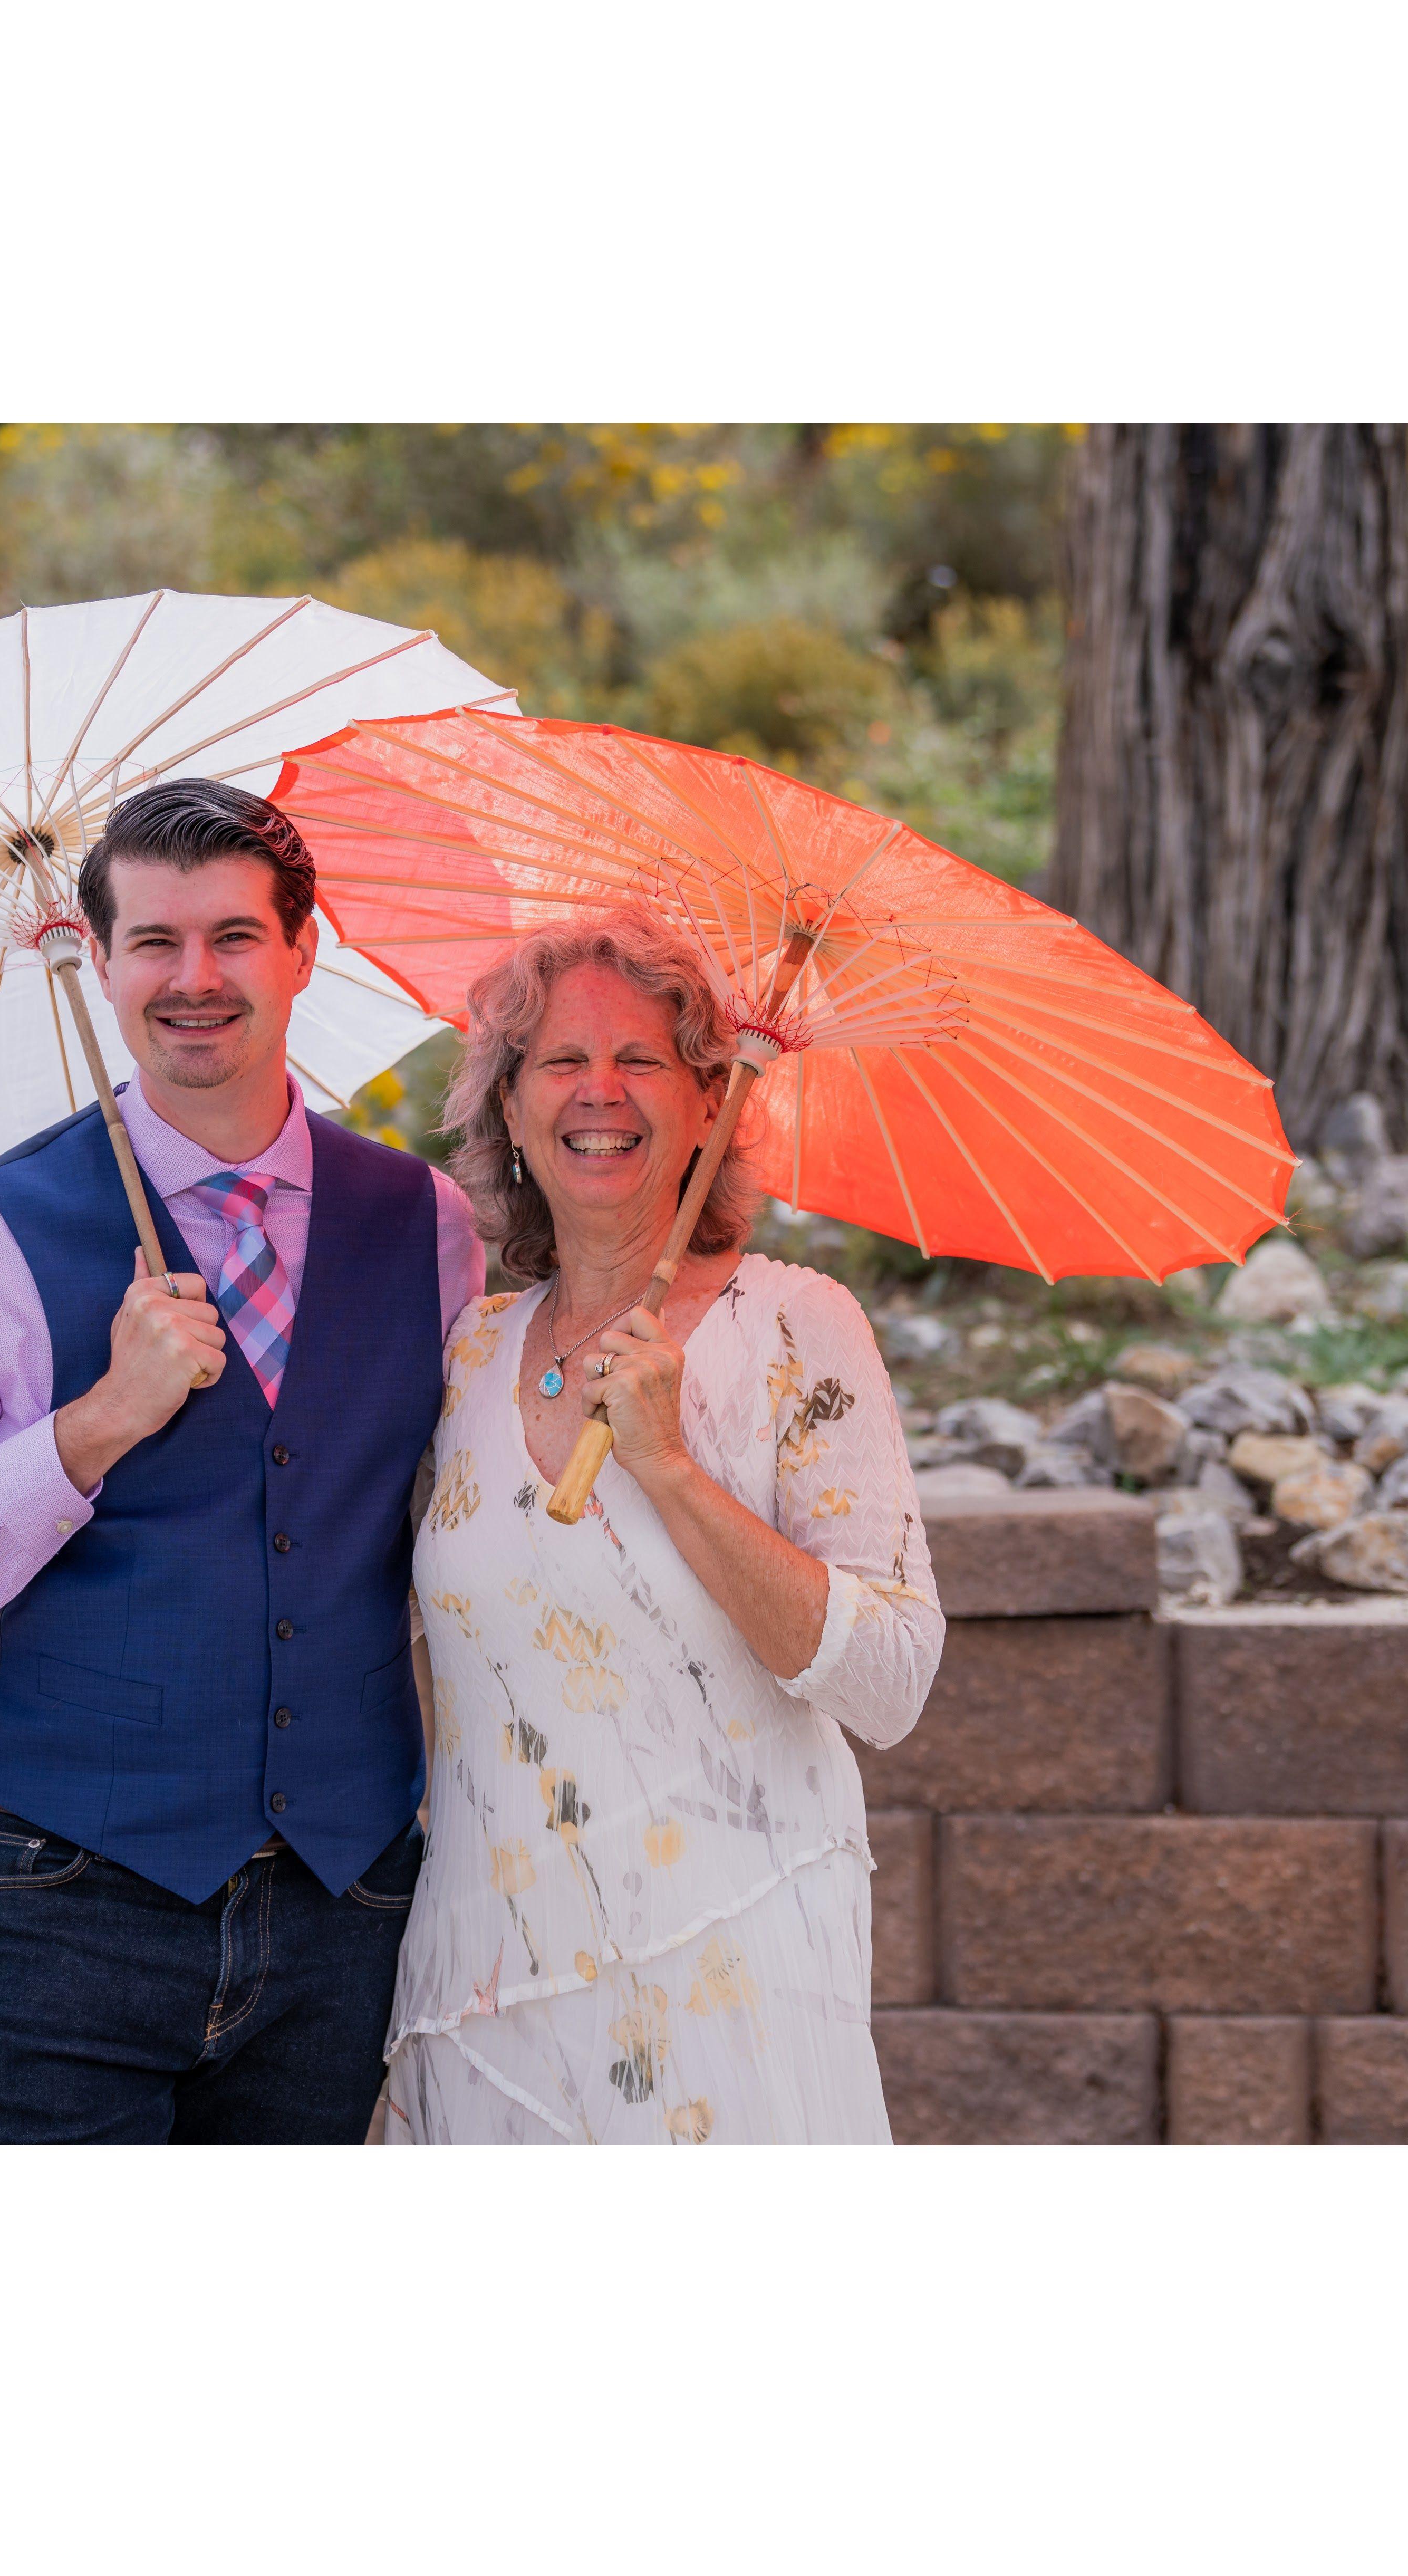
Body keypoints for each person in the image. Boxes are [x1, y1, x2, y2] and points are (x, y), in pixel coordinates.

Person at [0, 779, 485, 2144]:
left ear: (302, 950)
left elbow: (453, 1530)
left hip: (343, 1907)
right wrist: (95, 1424)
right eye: (154, 941)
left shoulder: (429, 1225)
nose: (194, 979)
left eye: (234, 936)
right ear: (97, 959)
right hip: (66, 1902)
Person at [376, 908, 943, 2145]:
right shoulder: (469, 1349)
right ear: (509, 1107)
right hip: (489, 1987)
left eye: (642, 1059)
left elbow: (891, 1680)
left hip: (726, 1981)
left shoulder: (794, 1327)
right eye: (559, 1061)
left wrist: (670, 1467)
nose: (601, 1092)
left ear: (707, 1108)